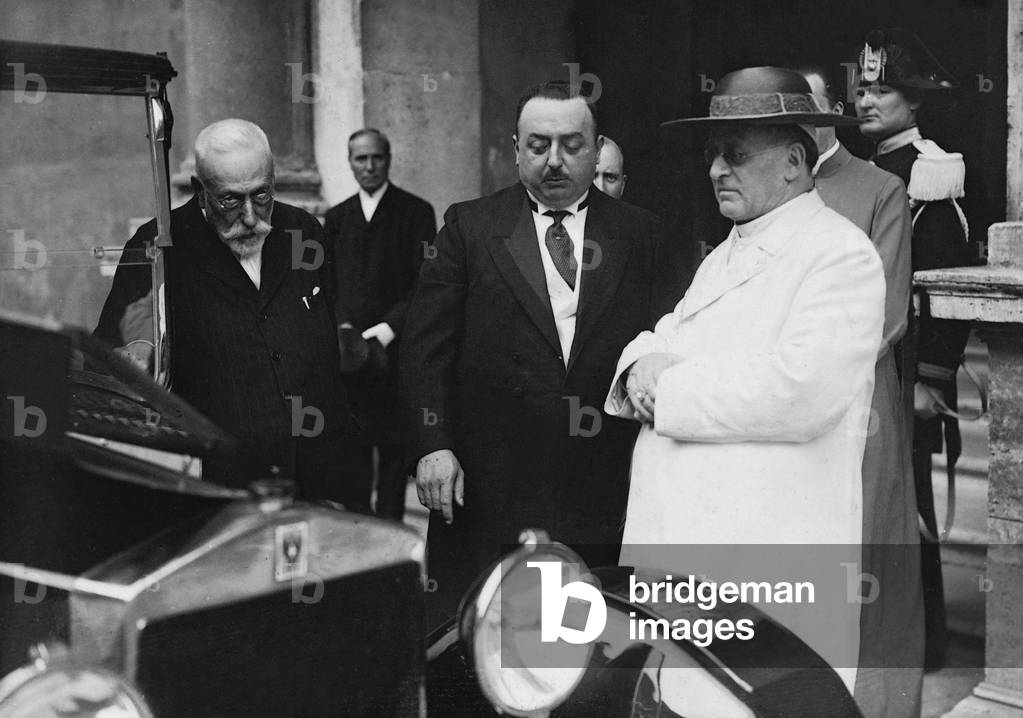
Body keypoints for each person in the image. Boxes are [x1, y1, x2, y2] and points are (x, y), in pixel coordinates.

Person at [606, 67, 885, 695]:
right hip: (691, 557)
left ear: (793, 161)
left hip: (763, 559)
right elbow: (666, 333)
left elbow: (798, 391)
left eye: (735, 155)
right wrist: (641, 364)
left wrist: (666, 392)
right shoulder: (726, 252)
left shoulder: (838, 254)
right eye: (712, 156)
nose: (715, 171)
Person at [400, 81, 667, 630]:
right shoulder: (469, 228)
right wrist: (433, 446)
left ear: (596, 150)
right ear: (516, 149)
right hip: (489, 487)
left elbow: (667, 340)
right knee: (478, 648)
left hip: (605, 486)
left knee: (593, 654)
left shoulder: (643, 235)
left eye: (572, 145)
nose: (554, 160)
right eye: (539, 144)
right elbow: (424, 350)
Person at [96, 119, 351, 501]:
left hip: (315, 472)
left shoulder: (303, 229)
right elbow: (124, 340)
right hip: (220, 480)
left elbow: (330, 322)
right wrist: (140, 346)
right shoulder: (159, 244)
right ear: (200, 190)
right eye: (231, 200)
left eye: (261, 194)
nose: (250, 217)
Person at [799, 64, 924, 718]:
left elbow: (882, 313)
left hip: (855, 410)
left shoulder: (878, 188)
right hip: (781, 415)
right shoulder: (768, 188)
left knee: (862, 569)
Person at [853, 28, 972, 671]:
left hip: (908, 370)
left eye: (883, 90)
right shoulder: (861, 170)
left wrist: (933, 378)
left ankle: (923, 644)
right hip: (867, 366)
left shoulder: (930, 168)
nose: (868, 101)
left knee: (912, 505)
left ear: (914, 101)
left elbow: (944, 286)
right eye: (863, 89)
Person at [323, 128, 436, 519]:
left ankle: (389, 530)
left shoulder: (415, 213)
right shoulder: (336, 218)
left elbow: (424, 282)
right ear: (350, 162)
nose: (369, 166)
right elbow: (327, 283)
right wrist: (345, 331)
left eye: (376, 158)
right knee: (352, 449)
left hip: (394, 352)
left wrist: (385, 331)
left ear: (388, 159)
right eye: (360, 159)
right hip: (349, 355)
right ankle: (356, 532)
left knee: (392, 450)